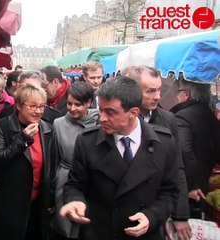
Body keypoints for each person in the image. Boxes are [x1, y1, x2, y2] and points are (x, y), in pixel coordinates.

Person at [60, 77, 179, 240]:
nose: (101, 118)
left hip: (145, 235)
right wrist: (76, 200)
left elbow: (170, 192)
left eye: (110, 112)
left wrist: (152, 216)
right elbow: (75, 185)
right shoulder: (87, 142)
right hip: (100, 232)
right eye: (100, 110)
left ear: (134, 113)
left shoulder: (164, 144)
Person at [123, 66, 192, 240]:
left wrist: (180, 215)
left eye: (159, 89)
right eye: (151, 91)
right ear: (134, 90)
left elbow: (177, 169)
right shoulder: (119, 118)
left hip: (155, 210)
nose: (158, 96)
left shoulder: (167, 120)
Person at [0, 84, 56, 240]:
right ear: (19, 106)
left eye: (42, 106)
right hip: (11, 202)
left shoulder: (47, 129)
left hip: (38, 203)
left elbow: (51, 167)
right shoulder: (3, 126)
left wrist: (50, 198)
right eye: (33, 106)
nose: (38, 111)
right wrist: (21, 140)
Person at [51, 82, 99, 240]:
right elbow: (55, 159)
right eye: (69, 103)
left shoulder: (99, 122)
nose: (72, 108)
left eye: (78, 104)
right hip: (65, 181)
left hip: (93, 182)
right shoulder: (58, 124)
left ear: (89, 103)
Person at [170, 77, 220, 219]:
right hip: (203, 179)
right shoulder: (209, 115)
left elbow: (183, 150)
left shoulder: (182, 117)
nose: (176, 95)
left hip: (188, 186)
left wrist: (191, 184)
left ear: (186, 94)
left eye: (178, 91)